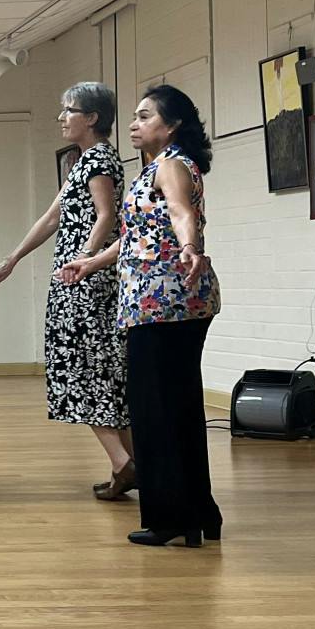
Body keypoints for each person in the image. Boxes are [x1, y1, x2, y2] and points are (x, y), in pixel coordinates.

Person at [59, 86, 223, 548]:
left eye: (145, 116)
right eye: (134, 116)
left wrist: (190, 247)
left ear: (172, 126)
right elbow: (136, 236)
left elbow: (181, 212)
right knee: (179, 407)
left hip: (164, 304)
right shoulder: (157, 166)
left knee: (156, 412)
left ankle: (171, 516)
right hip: (167, 303)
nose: (134, 123)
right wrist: (91, 262)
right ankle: (199, 513)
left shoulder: (170, 165)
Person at [0, 83, 134, 498]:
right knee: (96, 368)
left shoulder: (99, 159)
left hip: (85, 281)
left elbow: (106, 216)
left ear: (92, 118)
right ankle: (130, 464)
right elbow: (51, 218)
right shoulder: (83, 161)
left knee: (87, 369)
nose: (62, 118)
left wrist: (84, 260)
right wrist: (12, 259)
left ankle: (123, 464)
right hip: (77, 277)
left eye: (70, 110)